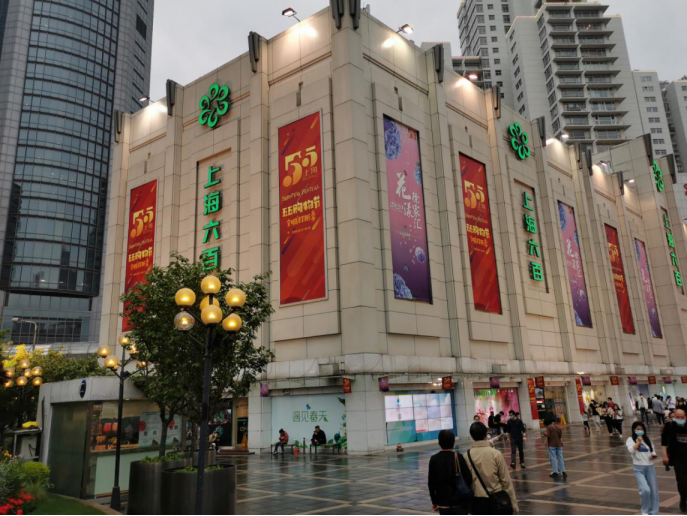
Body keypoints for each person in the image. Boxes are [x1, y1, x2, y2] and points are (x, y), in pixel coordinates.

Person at [464, 422, 518, 515]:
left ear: (471, 435)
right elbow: (506, 481)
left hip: (478, 502)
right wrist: (514, 505)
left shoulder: (466, 456)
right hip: (497, 500)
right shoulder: (495, 454)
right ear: (486, 434)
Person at [428, 430, 473, 515]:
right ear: (453, 442)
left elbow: (431, 483)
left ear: (439, 442)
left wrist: (434, 501)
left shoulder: (434, 459)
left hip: (442, 503)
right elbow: (468, 478)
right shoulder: (458, 457)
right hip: (460, 502)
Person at [627, 421, 660, 515]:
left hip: (650, 467)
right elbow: (631, 450)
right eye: (638, 429)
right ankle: (645, 511)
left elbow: (653, 451)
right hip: (638, 468)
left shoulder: (648, 440)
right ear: (634, 430)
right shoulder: (630, 439)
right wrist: (638, 441)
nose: (640, 431)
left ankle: (654, 512)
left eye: (641, 429)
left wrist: (653, 455)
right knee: (645, 490)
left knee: (653, 491)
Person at [662, 408, 687, 513]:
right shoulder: (670, 426)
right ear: (674, 416)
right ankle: (683, 498)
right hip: (678, 459)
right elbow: (663, 442)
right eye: (678, 417)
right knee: (682, 482)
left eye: (682, 417)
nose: (680, 419)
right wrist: (665, 456)